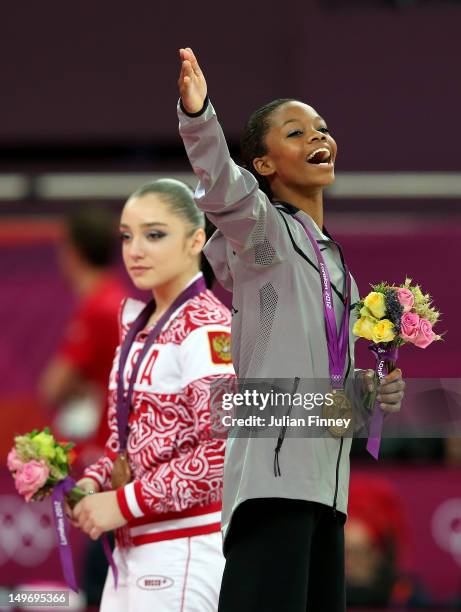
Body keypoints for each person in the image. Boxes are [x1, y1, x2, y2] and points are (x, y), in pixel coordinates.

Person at [177, 47, 406, 612]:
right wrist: (199, 116)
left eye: (322, 129)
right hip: (273, 484)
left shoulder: (340, 270)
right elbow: (220, 184)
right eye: (296, 132)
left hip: (327, 492)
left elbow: (332, 405)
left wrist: (368, 395)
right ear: (265, 165)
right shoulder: (264, 235)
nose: (317, 137)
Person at [71, 179, 235, 612]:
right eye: (127, 236)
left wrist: (122, 502)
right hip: (132, 552)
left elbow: (222, 452)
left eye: (154, 234)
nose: (135, 250)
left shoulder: (207, 327)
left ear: (195, 240)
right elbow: (132, 441)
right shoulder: (138, 325)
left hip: (183, 550)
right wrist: (96, 481)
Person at [39, 208, 126, 466]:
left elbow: (53, 387)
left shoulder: (98, 307)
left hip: (102, 447)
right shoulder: (117, 298)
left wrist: (84, 388)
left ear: (72, 252)